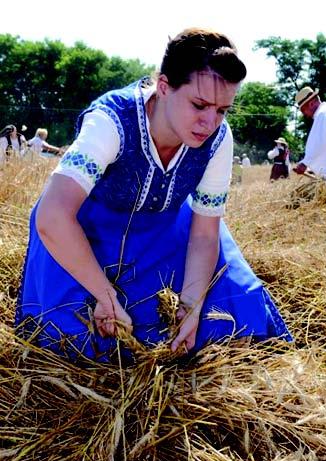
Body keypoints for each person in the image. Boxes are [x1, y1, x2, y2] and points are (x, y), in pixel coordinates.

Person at [15, 28, 292, 364]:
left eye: (222, 111)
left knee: (231, 308)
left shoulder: (218, 139)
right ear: (164, 86)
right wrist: (106, 296)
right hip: (86, 231)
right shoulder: (112, 120)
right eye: (199, 104)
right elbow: (53, 215)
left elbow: (205, 234)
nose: (210, 122)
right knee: (78, 336)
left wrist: (190, 307)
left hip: (168, 231)